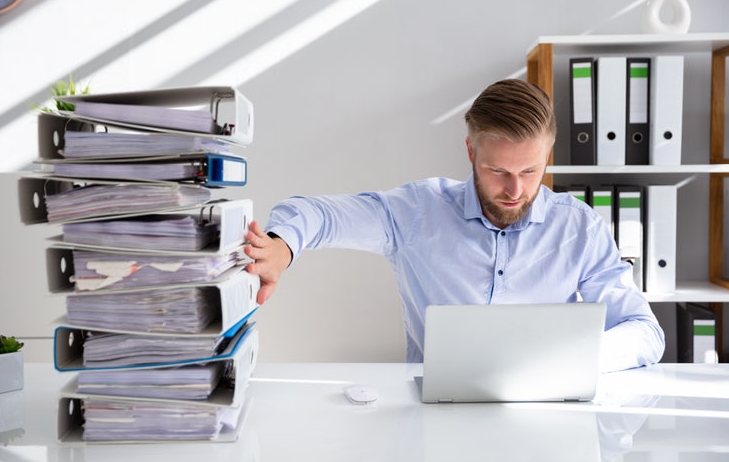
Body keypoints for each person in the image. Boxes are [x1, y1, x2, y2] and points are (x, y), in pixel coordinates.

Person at [244, 78, 665, 373]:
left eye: (531, 171)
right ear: (470, 151)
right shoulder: (418, 212)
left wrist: (576, 358)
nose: (515, 190)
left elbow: (645, 332)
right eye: (498, 170)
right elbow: (318, 214)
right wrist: (283, 245)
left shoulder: (578, 228)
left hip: (547, 419)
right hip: (434, 419)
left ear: (548, 156)